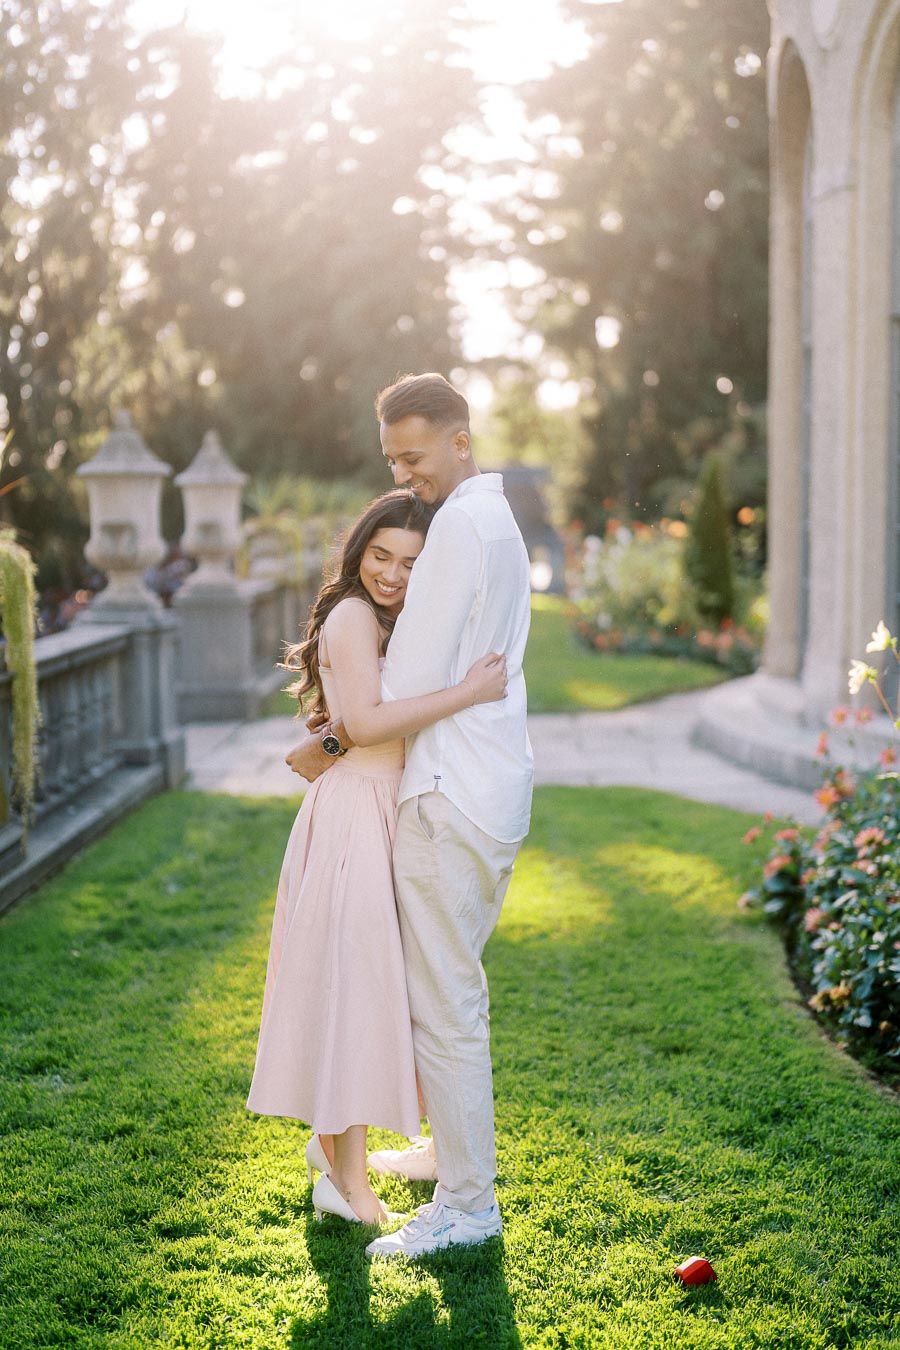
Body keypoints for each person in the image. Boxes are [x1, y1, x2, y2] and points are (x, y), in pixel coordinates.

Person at [287, 373, 533, 1259]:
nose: (403, 473)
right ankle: (444, 1157)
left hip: (443, 793)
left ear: (461, 441)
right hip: (487, 788)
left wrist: (331, 739)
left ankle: (467, 1203)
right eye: (392, 460)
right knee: (439, 986)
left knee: (443, 1001)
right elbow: (391, 687)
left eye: (414, 456)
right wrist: (339, 732)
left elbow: (398, 690)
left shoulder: (459, 526)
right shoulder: (496, 520)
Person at [247, 488, 508, 1226]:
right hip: (355, 816)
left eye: (411, 563)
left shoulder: (396, 618)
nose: (391, 574)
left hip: (388, 806)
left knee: (379, 988)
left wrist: (327, 740)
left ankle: (337, 1153)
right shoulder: (355, 614)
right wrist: (468, 692)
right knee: (352, 993)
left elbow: (349, 722)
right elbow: (362, 722)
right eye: (380, 555)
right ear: (358, 552)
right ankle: (347, 1184)